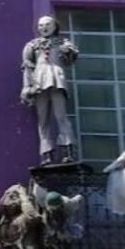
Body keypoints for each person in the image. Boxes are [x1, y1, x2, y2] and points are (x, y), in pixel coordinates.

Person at [21, 16, 79, 166]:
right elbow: (27, 66)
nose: (44, 28)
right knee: (43, 120)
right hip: (39, 81)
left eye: (47, 24)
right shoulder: (32, 45)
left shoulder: (63, 42)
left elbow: (70, 59)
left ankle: (68, 150)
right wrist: (27, 87)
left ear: (55, 26)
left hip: (56, 77)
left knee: (61, 115)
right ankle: (47, 153)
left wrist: (67, 51)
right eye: (41, 25)